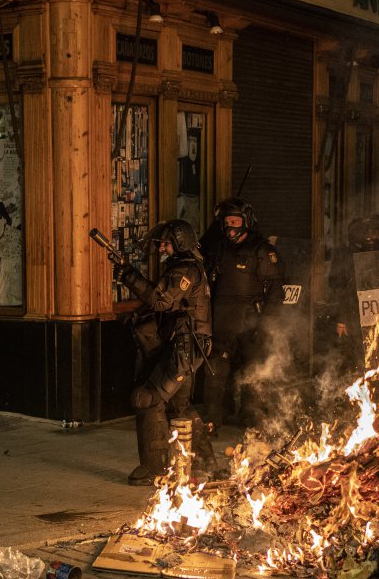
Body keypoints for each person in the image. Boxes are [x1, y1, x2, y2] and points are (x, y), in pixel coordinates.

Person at [114, 219, 215, 486]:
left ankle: (154, 468)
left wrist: (130, 276)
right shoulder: (186, 268)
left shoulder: (185, 270)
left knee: (146, 398)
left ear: (181, 243)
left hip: (185, 347)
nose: (164, 248)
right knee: (179, 406)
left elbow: (160, 300)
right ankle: (208, 464)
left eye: (168, 243)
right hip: (185, 345)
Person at [201, 197, 283, 430]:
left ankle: (251, 418)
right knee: (215, 372)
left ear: (246, 222)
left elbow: (276, 291)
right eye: (227, 222)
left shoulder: (262, 250)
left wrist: (266, 323)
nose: (231, 227)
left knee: (253, 372)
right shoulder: (218, 248)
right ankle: (212, 420)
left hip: (251, 321)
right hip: (222, 321)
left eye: (235, 221)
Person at [328, 214, 379, 370]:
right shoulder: (346, 255)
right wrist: (342, 319)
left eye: (376, 232)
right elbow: (340, 289)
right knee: (358, 356)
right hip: (355, 316)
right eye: (366, 232)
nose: (371, 237)